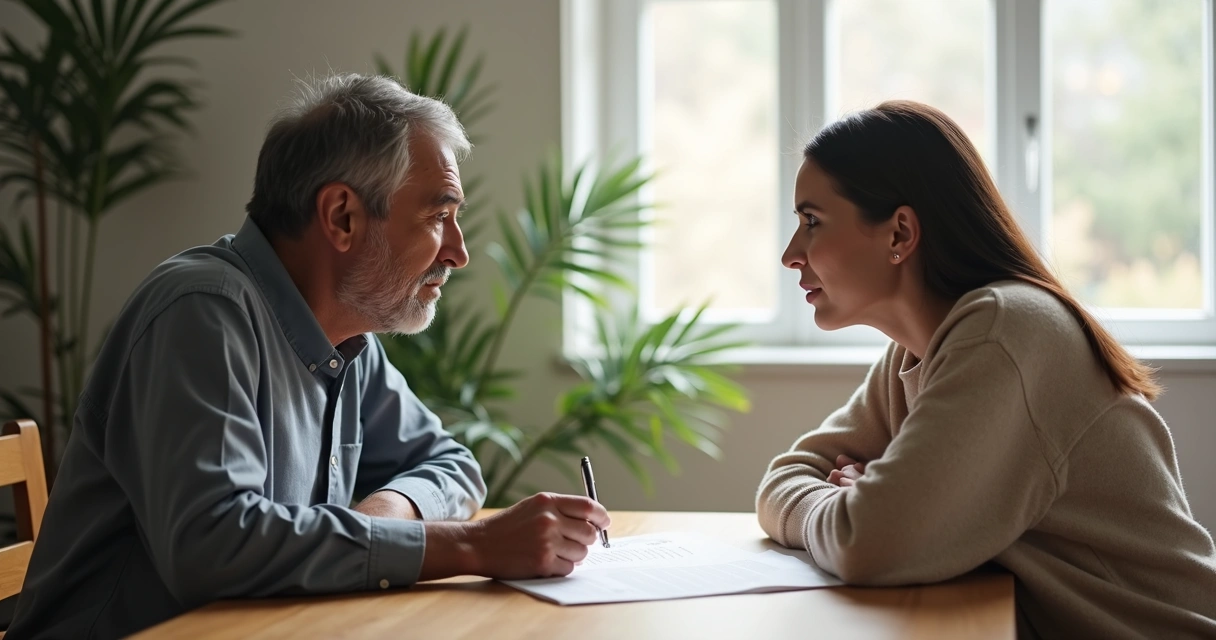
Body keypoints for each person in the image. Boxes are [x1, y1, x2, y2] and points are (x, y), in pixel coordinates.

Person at [8, 74, 609, 639]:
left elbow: (450, 463)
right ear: (342, 216)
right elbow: (215, 548)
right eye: (438, 216)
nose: (458, 252)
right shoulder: (202, 312)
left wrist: (384, 516)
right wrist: (472, 546)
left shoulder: (347, 339)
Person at [756, 100, 1216, 638]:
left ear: (900, 234)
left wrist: (856, 508)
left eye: (812, 222)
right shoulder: (918, 351)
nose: (791, 254)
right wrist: (848, 503)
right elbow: (783, 479)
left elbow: (871, 545)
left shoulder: (1005, 333)